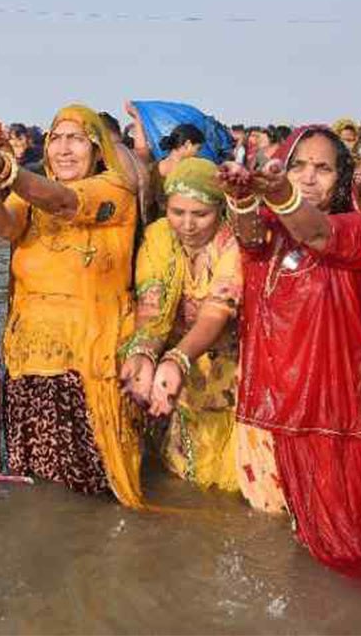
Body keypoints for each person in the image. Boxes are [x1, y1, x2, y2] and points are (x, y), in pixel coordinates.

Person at [0, 103, 145, 506]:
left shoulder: (114, 190)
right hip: (28, 364)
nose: (64, 150)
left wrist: (11, 173)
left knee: (96, 492)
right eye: (57, 139)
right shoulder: (31, 196)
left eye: (76, 139)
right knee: (37, 493)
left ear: (98, 149)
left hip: (88, 367)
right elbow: (4, 225)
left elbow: (65, 203)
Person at [219, 125, 361, 566]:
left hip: (331, 419)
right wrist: (241, 195)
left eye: (323, 169)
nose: (309, 178)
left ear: (342, 178)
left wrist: (280, 192)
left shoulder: (359, 229)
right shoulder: (271, 232)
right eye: (299, 166)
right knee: (270, 547)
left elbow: (317, 236)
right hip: (269, 411)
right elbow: (250, 238)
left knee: (341, 549)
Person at [120, 159, 250, 497]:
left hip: (227, 360)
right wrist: (144, 353)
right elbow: (152, 306)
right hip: (177, 361)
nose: (188, 225)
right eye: (178, 212)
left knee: (230, 477)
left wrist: (177, 358)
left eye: (200, 214)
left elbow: (214, 313)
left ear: (219, 209)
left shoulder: (232, 242)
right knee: (182, 473)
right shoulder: (158, 235)